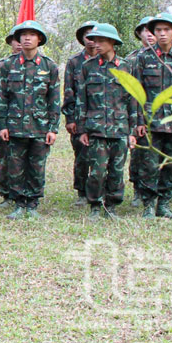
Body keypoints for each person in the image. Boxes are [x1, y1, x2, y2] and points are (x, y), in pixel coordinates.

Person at [131, 12, 172, 220]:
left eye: (166, 30)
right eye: (158, 30)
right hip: (152, 122)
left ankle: (164, 204)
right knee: (149, 165)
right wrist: (139, 121)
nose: (162, 34)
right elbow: (136, 92)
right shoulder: (143, 58)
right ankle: (148, 205)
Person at [0, 20, 61, 219]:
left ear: (39, 39)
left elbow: (54, 99)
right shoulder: (8, 65)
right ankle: (18, 203)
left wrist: (53, 128)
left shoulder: (49, 66)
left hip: (40, 127)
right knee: (15, 166)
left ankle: (32, 204)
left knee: (37, 166)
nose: (26, 38)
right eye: (23, 35)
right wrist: (3, 124)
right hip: (15, 126)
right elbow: (2, 97)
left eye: (31, 35)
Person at [75, 23, 137, 220]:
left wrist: (133, 131)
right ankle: (95, 205)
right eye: (94, 40)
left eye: (101, 40)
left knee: (117, 171)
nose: (96, 44)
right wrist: (83, 129)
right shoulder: (88, 67)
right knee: (97, 171)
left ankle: (112, 206)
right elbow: (81, 100)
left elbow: (133, 100)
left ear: (112, 43)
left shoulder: (127, 67)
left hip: (120, 129)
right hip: (96, 129)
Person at [62, 20, 98, 206]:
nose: (91, 41)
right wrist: (70, 118)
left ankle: (101, 191)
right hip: (79, 118)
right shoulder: (74, 62)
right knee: (82, 156)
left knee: (102, 157)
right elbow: (69, 91)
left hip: (103, 117)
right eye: (87, 37)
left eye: (95, 37)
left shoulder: (108, 61)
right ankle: (82, 192)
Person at [0, 27, 21, 208]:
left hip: (30, 123)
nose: (19, 43)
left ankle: (25, 195)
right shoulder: (3, 65)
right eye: (15, 40)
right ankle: (7, 194)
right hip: (7, 120)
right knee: (6, 158)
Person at [125, 16, 154, 207]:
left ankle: (156, 192)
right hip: (139, 115)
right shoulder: (131, 59)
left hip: (164, 116)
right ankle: (137, 190)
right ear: (139, 34)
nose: (150, 34)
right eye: (146, 30)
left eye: (153, 30)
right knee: (139, 155)